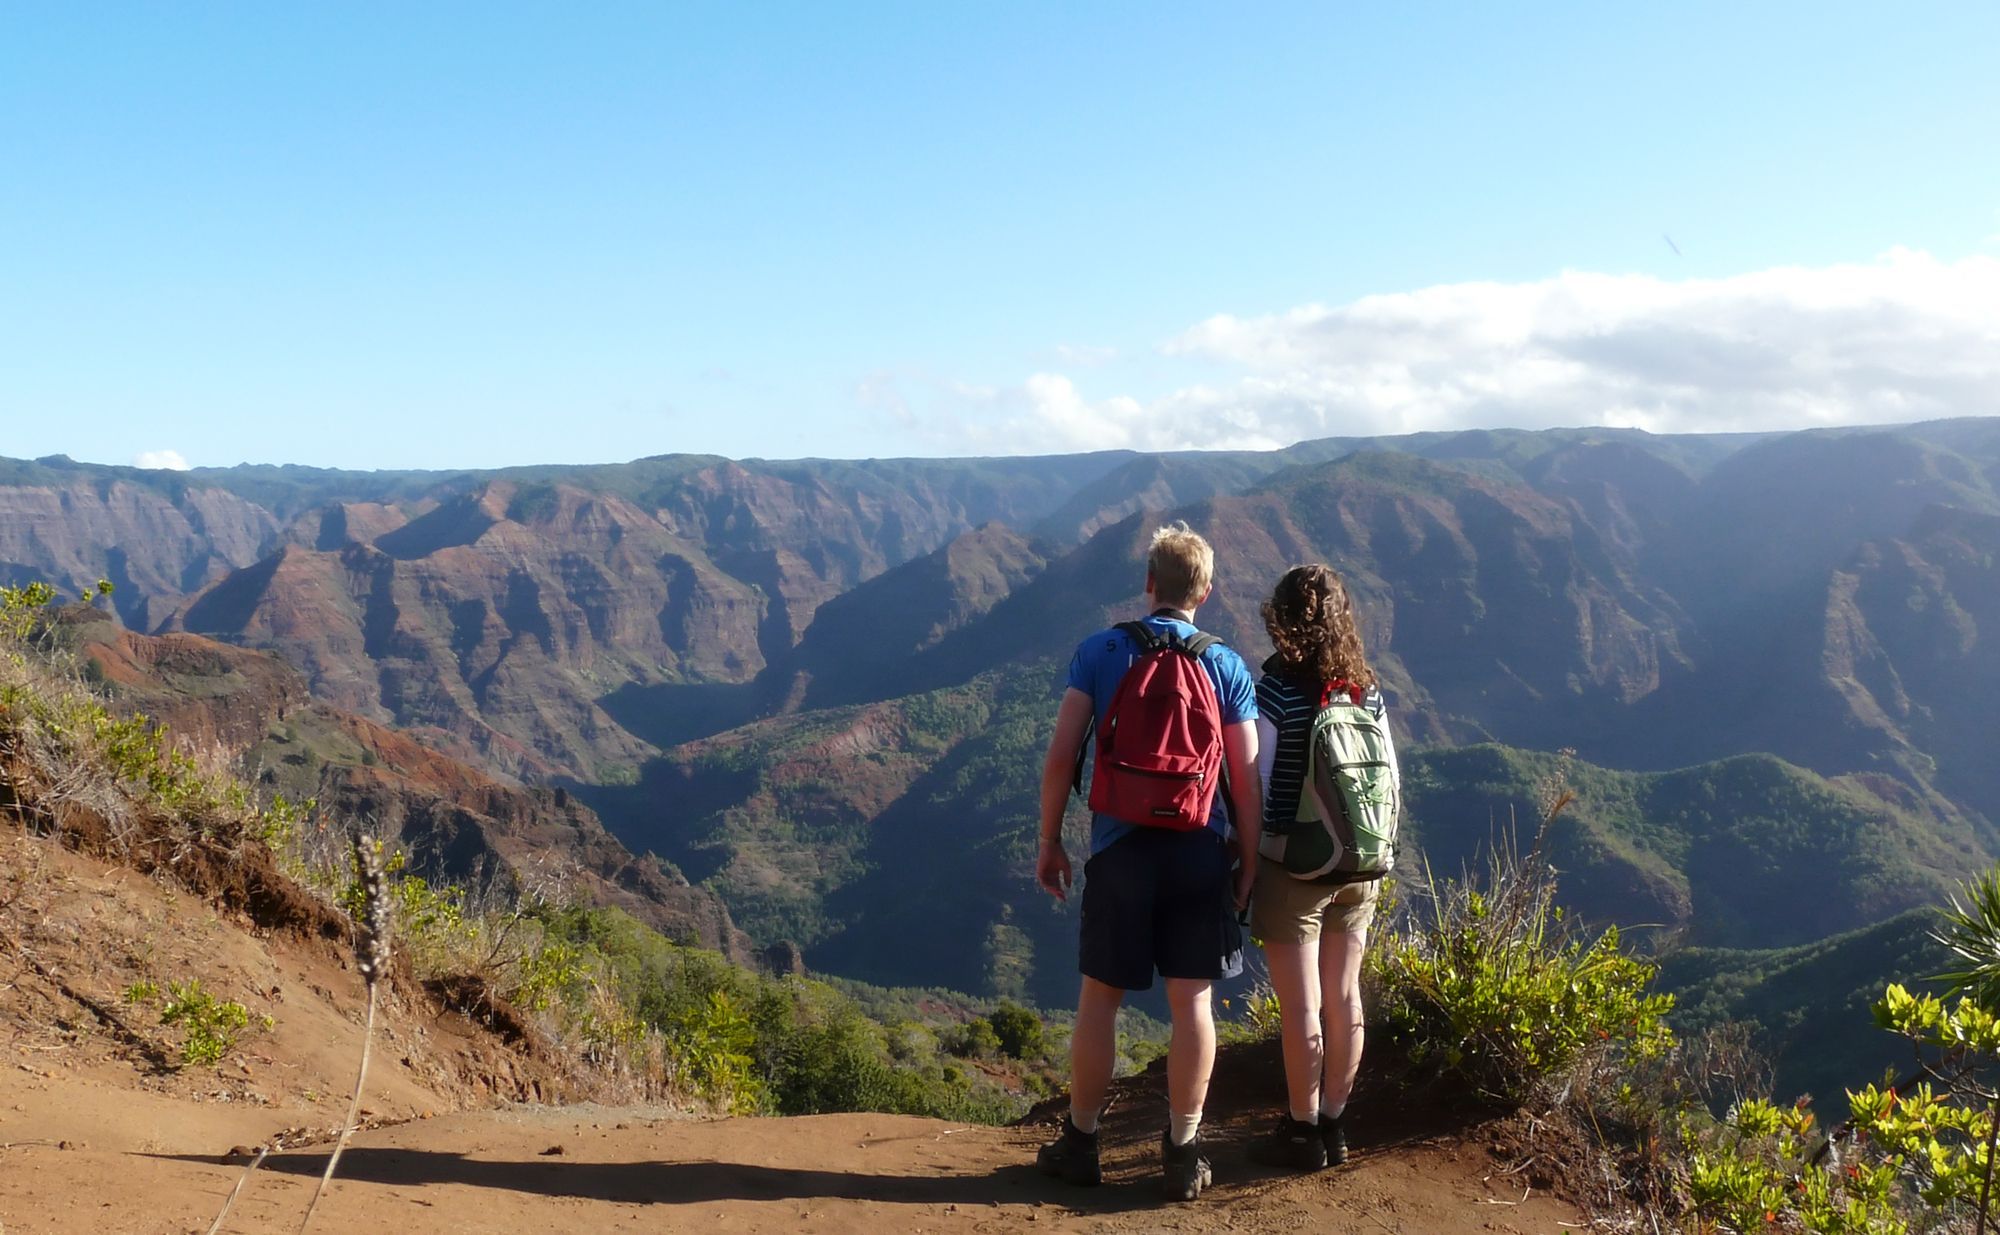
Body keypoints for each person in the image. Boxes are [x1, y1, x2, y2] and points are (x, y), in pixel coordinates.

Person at [1032, 520, 1262, 1203]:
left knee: (1100, 1000)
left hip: (1119, 850)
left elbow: (1060, 754)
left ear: (1149, 583)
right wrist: (1246, 863)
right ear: (1207, 592)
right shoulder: (1226, 666)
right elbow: (1245, 781)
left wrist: (1050, 840)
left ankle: (1080, 1142)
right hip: (1198, 854)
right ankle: (1183, 1152)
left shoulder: (1102, 651)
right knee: (1193, 1002)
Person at [1246, 563, 1397, 1171]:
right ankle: (1336, 1123)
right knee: (1345, 995)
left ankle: (1302, 1130)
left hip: (1295, 864)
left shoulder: (1276, 690)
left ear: (1281, 618)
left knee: (1302, 1006)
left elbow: (1257, 782)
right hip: (1361, 864)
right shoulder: (1365, 690)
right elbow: (1389, 781)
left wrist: (1244, 858)